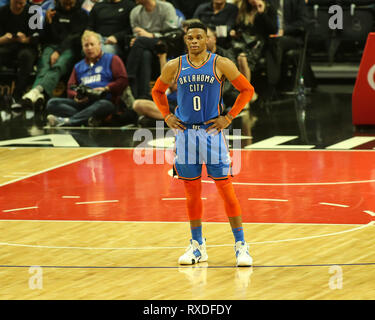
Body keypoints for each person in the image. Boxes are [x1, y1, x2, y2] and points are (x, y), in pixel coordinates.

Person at [152, 21, 255, 266]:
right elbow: (157, 91)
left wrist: (229, 116)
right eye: (190, 38)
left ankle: (241, 245)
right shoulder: (174, 66)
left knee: (225, 190)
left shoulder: (221, 63)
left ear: (207, 39)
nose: (195, 41)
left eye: (199, 37)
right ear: (185, 40)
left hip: (211, 133)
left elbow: (247, 89)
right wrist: (166, 115)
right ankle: (197, 245)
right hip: (186, 134)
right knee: (192, 193)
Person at [46, 30, 128, 127]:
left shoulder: (112, 59)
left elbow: (123, 81)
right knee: (52, 103)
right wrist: (76, 96)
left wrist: (106, 88)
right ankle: (88, 119)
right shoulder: (78, 66)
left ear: (99, 45)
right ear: (83, 48)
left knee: (104, 105)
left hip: (104, 101)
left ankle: (69, 121)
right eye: (86, 45)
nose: (89, 48)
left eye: (92, 44)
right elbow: (70, 87)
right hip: (83, 103)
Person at [21, 0, 88, 109]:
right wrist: (48, 23)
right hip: (51, 46)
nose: (68, 6)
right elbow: (45, 38)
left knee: (58, 66)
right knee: (43, 67)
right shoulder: (53, 12)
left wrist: (58, 52)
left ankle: (34, 93)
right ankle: (40, 97)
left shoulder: (81, 14)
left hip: (69, 48)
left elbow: (74, 37)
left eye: (70, 4)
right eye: (65, 3)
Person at [126, 0, 178, 100]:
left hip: (166, 44)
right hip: (144, 47)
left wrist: (151, 35)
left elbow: (173, 34)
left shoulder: (166, 8)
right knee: (145, 54)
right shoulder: (135, 12)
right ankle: (144, 95)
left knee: (140, 42)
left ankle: (129, 78)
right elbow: (136, 34)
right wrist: (134, 40)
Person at [0, 0, 39, 108]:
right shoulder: (2, 11)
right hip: (7, 46)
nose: (19, 6)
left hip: (27, 47)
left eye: (22, 3)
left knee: (25, 56)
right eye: (16, 3)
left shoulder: (34, 11)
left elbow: (38, 37)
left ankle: (17, 94)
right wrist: (4, 39)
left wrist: (25, 39)